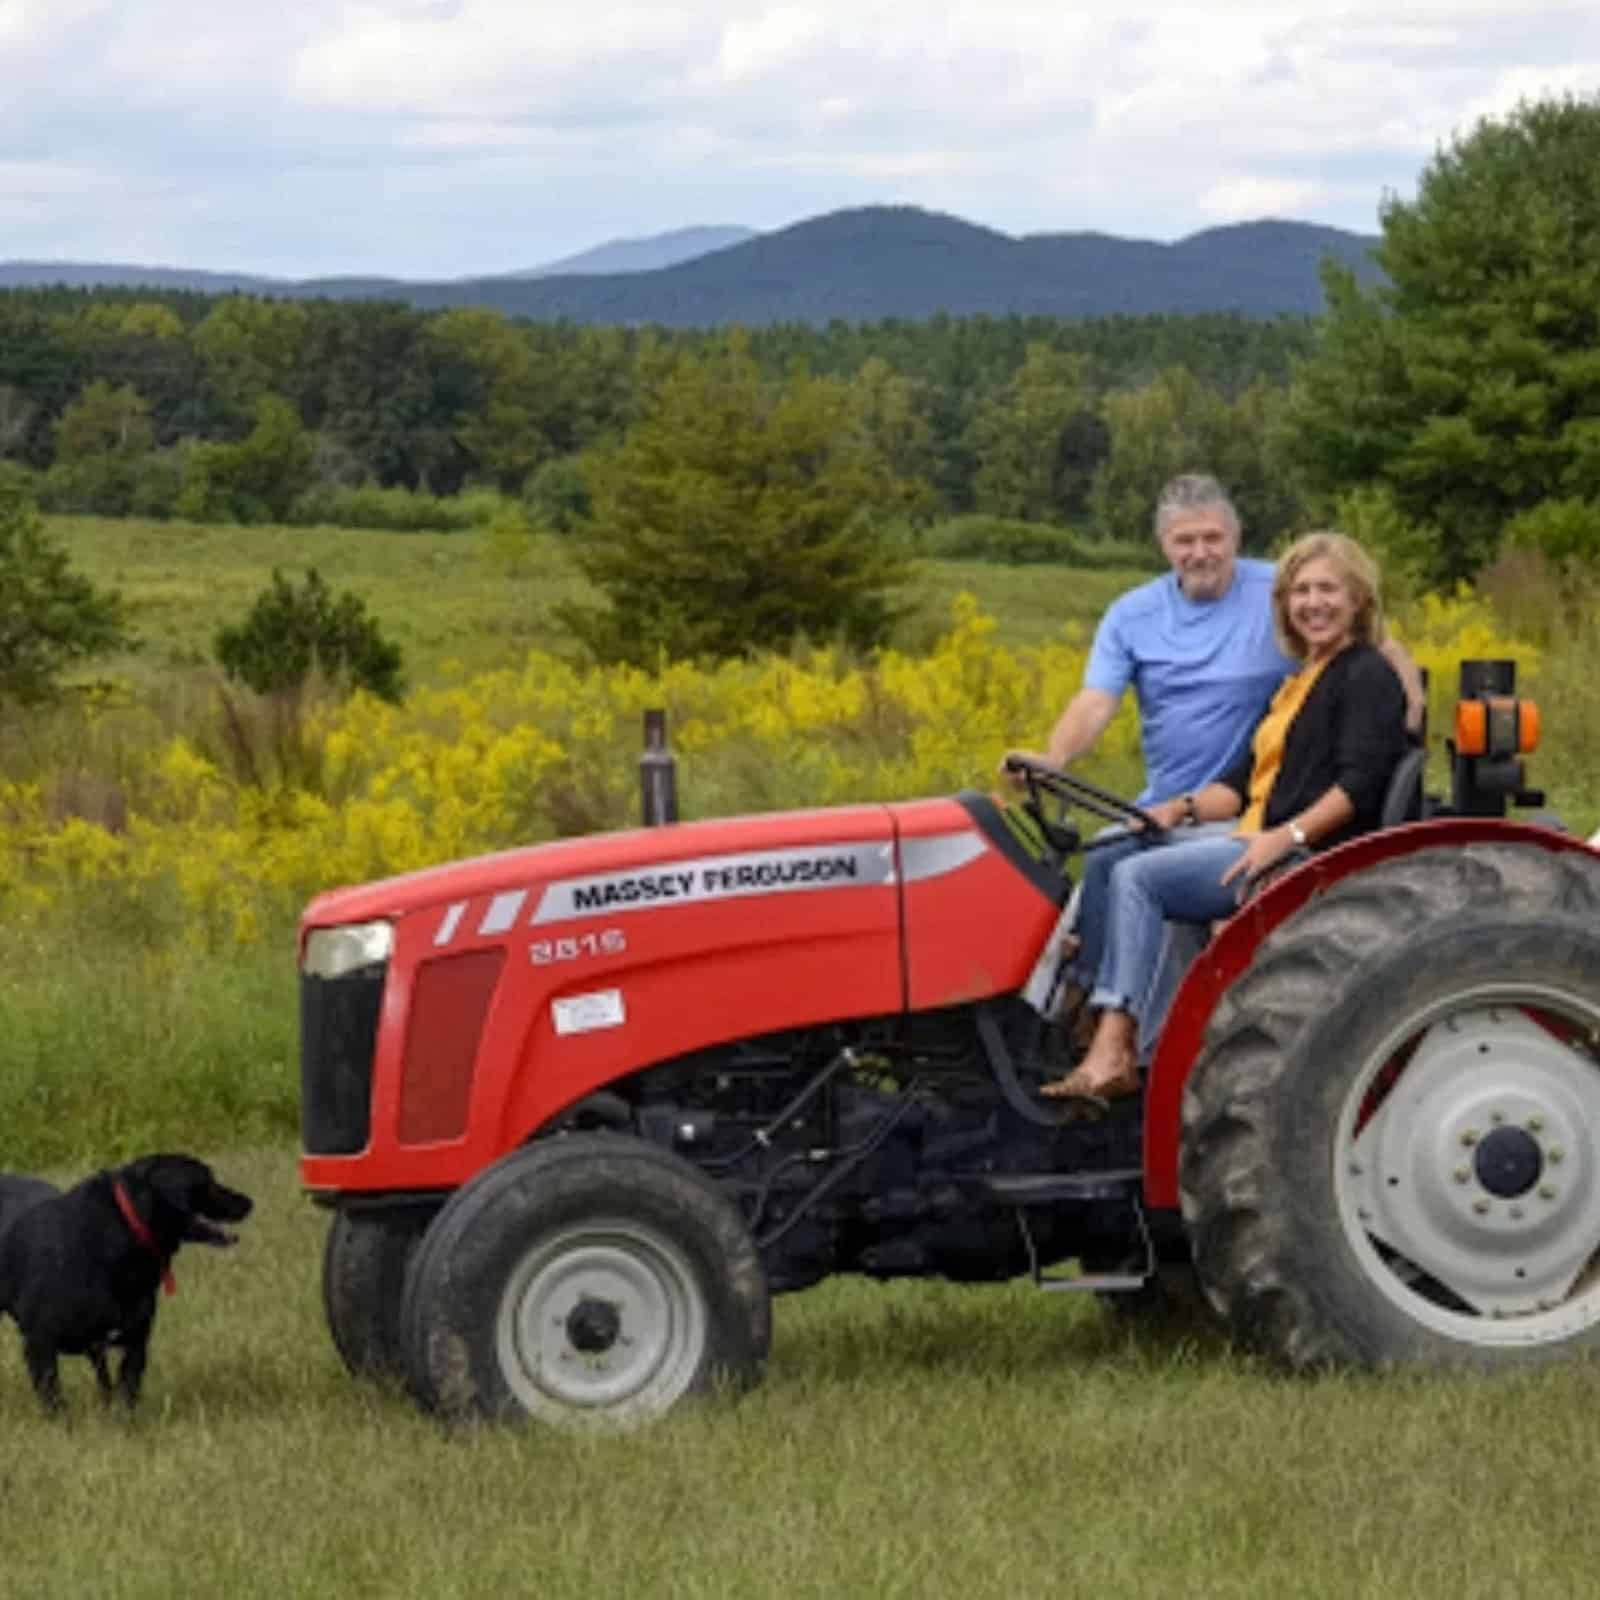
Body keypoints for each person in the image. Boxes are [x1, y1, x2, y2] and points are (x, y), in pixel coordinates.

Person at [1040, 531, 1407, 1108]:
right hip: (1256, 831)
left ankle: (1114, 1046)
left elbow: (1357, 787)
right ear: (1284, 603)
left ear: (1358, 598)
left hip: (1307, 851)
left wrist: (1284, 838)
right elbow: (1237, 785)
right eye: (1301, 591)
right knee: (1114, 848)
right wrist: (1178, 809)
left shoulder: (1366, 675)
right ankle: (1079, 1010)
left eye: (1328, 590)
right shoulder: (1297, 682)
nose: (1313, 603)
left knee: (1141, 880)